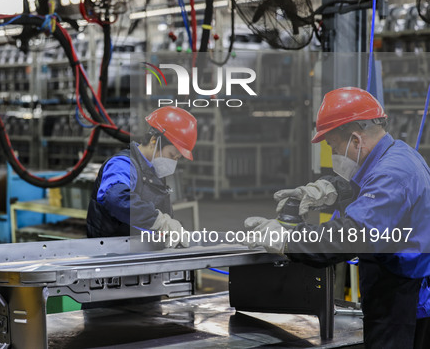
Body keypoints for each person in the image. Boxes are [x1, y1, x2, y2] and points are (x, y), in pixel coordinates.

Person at [243, 87, 430, 348]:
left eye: (333, 145)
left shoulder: (392, 174)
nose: (333, 155)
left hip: (402, 298)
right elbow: (366, 194)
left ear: (355, 139)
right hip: (396, 286)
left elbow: (350, 236)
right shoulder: (395, 156)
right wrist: (329, 190)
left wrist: (288, 239)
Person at [87, 106, 197, 247]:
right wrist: (159, 221)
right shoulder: (123, 164)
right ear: (153, 141)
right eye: (171, 155)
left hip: (137, 252)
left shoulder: (153, 170)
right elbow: (116, 197)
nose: (173, 162)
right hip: (111, 254)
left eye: (177, 158)